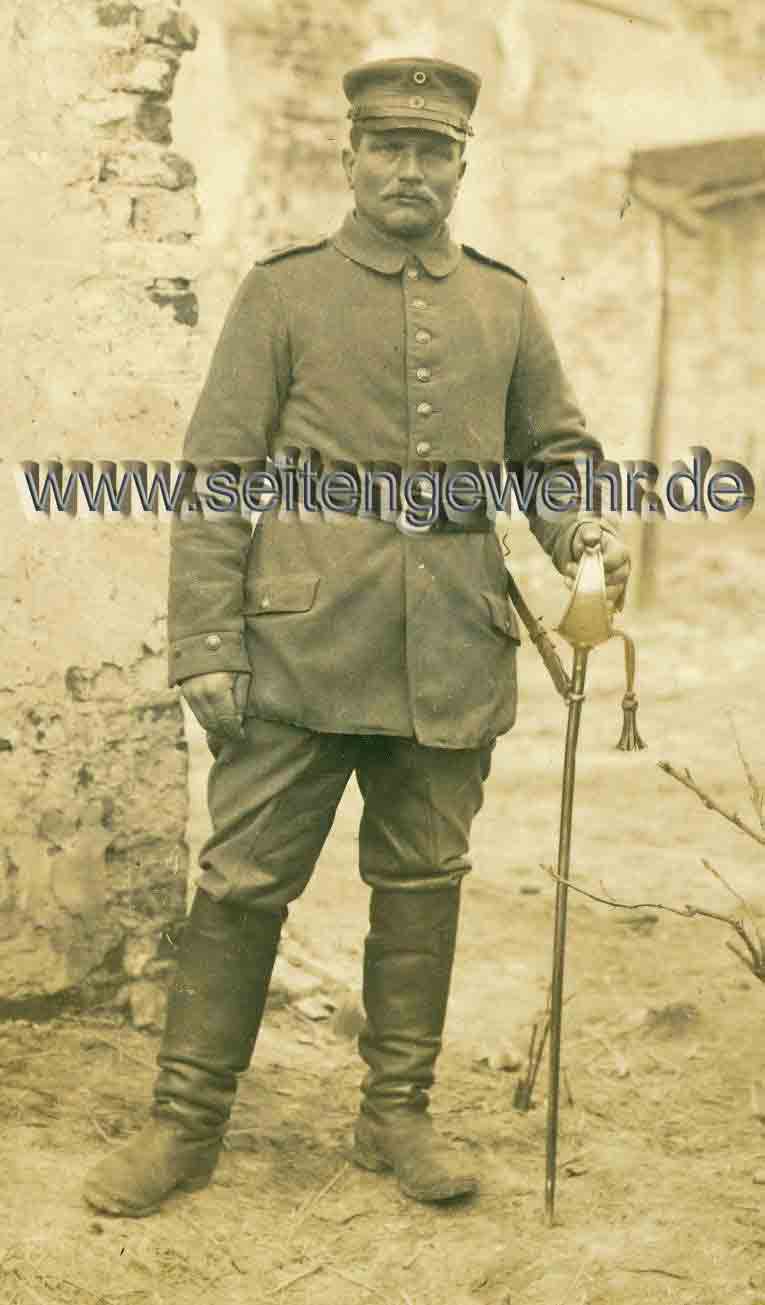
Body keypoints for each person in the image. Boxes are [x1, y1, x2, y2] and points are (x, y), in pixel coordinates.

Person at [84, 56, 630, 1217]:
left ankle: (396, 1115)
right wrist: (207, 644)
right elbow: (217, 477)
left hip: (449, 654)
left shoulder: (504, 304)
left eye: (433, 151)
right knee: (242, 883)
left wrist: (580, 529)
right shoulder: (282, 294)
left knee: (423, 880)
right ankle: (184, 1126)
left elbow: (553, 454)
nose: (409, 171)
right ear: (350, 158)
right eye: (389, 147)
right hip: (298, 654)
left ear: (461, 166)